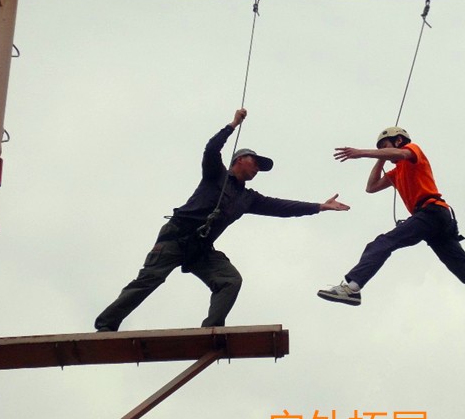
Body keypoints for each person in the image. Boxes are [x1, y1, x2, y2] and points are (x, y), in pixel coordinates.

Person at [95, 108, 350, 331]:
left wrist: (319, 207)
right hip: (175, 238)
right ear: (239, 160)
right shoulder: (215, 174)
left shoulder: (247, 198)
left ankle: (211, 330)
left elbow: (282, 207)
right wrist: (233, 124)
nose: (257, 169)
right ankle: (107, 323)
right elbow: (211, 149)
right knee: (148, 281)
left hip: (201, 249)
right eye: (255, 163)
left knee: (230, 280)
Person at [317, 126, 465, 306]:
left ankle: (352, 288)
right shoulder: (396, 171)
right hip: (436, 221)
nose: (384, 151)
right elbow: (371, 187)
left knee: (382, 243)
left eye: (385, 146)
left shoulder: (412, 151)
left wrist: (362, 153)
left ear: (398, 140)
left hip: (431, 212)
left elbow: (400, 153)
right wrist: (380, 158)